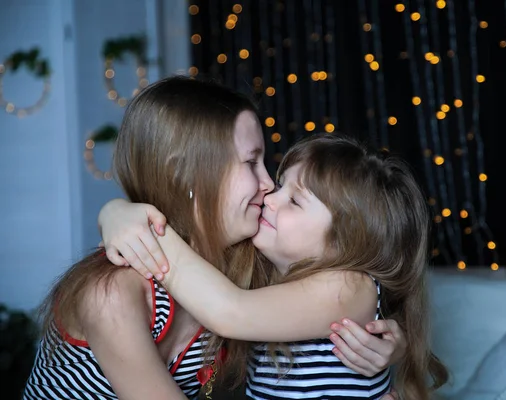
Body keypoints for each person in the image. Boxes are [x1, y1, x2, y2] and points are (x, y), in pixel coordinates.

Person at [23, 77, 404, 400]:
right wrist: (120, 213)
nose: (267, 186)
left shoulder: (243, 269)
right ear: (184, 175)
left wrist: (394, 347)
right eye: (251, 162)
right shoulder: (111, 293)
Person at [109, 133, 448, 399]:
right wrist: (114, 211)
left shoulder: (351, 286)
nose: (270, 196)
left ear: (345, 240)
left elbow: (229, 313)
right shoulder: (268, 274)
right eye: (282, 184)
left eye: (295, 200)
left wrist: (146, 226)